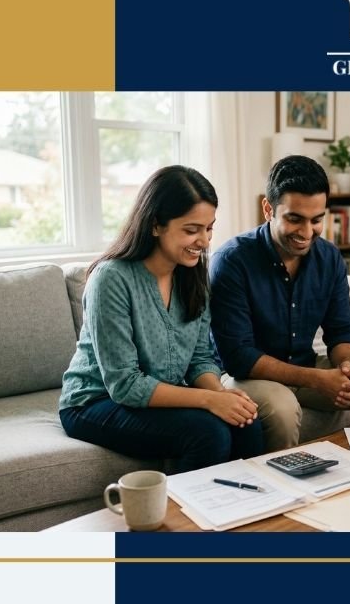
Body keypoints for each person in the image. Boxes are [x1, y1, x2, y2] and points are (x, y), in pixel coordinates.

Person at [59, 165, 264, 472]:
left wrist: (222, 395)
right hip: (95, 402)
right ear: (156, 225)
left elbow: (198, 358)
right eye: (191, 230)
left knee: (246, 423)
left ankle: (244, 514)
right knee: (208, 433)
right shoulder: (111, 278)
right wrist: (209, 401)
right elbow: (125, 384)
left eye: (209, 228)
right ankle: (179, 518)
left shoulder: (193, 276)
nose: (205, 241)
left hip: (152, 396)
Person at [209, 155, 350, 451]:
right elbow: (238, 357)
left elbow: (341, 330)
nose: (306, 232)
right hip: (242, 377)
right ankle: (284, 491)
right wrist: (319, 380)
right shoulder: (231, 261)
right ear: (268, 209)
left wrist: (345, 370)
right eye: (295, 219)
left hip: (304, 366)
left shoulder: (329, 257)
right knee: (282, 407)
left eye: (317, 220)